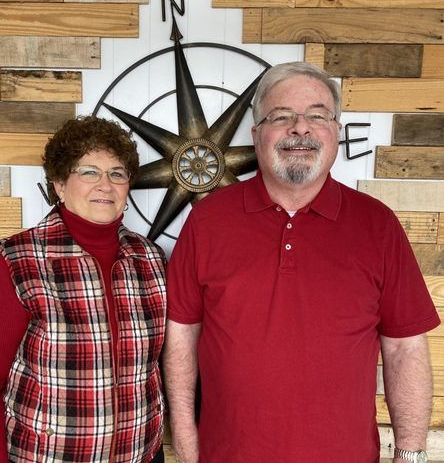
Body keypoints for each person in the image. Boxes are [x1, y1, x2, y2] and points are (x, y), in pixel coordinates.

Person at [163, 62, 440, 463]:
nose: (300, 128)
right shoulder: (208, 220)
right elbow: (182, 336)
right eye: (281, 116)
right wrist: (185, 436)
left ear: (336, 131)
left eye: (317, 116)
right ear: (256, 135)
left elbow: (405, 349)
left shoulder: (377, 225)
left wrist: (410, 454)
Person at [0, 116, 167, 462]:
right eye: (89, 172)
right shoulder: (20, 260)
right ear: (59, 183)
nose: (105, 185)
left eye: (117, 173)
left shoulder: (150, 259)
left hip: (140, 454)